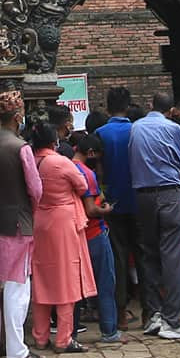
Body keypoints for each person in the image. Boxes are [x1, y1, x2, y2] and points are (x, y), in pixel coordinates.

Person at [0, 91, 44, 358]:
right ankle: (17, 350)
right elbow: (36, 189)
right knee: (17, 284)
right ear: (18, 116)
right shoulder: (21, 148)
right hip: (17, 220)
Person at [128, 90, 180, 340]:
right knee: (172, 255)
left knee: (148, 253)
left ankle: (154, 314)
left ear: (151, 105)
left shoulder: (136, 128)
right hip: (168, 193)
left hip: (142, 195)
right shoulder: (173, 129)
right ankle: (172, 320)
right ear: (170, 111)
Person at [29, 116, 97, 355]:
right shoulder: (60, 163)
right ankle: (64, 338)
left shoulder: (30, 162)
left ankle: (40, 336)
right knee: (66, 279)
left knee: (42, 279)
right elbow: (82, 186)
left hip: (39, 221)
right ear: (53, 140)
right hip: (63, 222)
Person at [93, 87, 140, 326]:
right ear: (129, 105)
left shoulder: (101, 133)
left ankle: (120, 312)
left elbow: (98, 170)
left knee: (118, 258)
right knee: (144, 255)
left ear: (107, 106)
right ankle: (151, 311)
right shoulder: (137, 131)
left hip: (112, 200)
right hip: (139, 198)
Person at [69, 133, 120, 343]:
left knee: (75, 287)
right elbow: (91, 209)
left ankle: (69, 332)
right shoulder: (86, 174)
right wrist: (106, 210)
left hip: (74, 234)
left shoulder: (66, 167)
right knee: (105, 282)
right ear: (90, 153)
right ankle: (109, 330)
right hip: (94, 232)